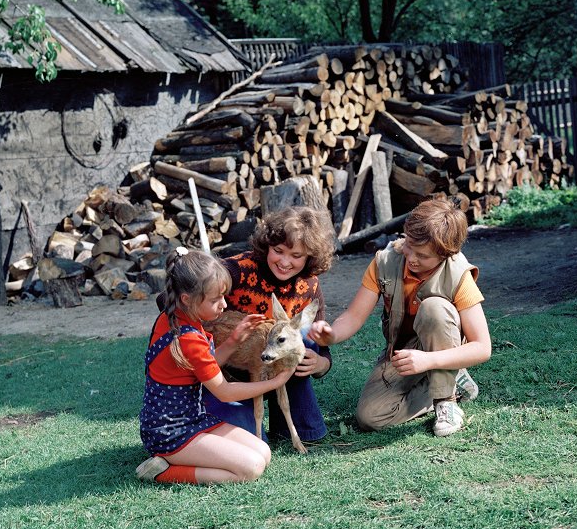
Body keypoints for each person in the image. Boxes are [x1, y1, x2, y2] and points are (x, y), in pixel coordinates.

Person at [309, 199, 492, 437]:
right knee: (370, 417)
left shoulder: (458, 274)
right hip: (402, 352)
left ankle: (446, 401)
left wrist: (429, 360)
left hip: (443, 346)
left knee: (434, 308)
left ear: (446, 254)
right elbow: (353, 316)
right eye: (409, 246)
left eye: (423, 255)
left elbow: (482, 347)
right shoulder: (385, 261)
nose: (411, 258)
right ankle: (449, 380)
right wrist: (332, 335)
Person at [136, 247, 295, 485]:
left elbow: (203, 369)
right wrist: (275, 382)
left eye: (223, 296)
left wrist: (233, 341)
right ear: (187, 299)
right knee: (250, 469)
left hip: (192, 419)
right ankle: (162, 471)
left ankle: (177, 459)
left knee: (263, 452)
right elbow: (224, 391)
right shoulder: (188, 338)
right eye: (215, 299)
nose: (223, 305)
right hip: (170, 431)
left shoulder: (177, 318)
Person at [203, 206, 336, 444]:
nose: (285, 262)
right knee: (247, 443)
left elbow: (321, 343)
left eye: (296, 256)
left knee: (303, 335)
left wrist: (321, 364)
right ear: (267, 246)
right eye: (278, 251)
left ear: (310, 257)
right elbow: (182, 295)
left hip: (277, 364)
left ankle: (288, 422)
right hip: (231, 371)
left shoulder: (310, 286)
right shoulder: (237, 270)